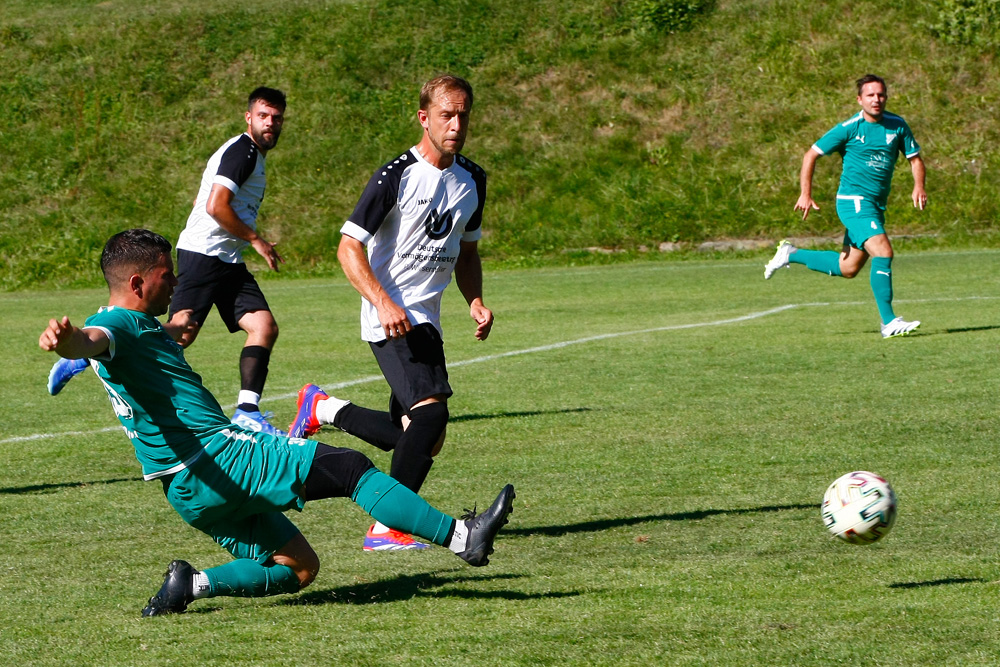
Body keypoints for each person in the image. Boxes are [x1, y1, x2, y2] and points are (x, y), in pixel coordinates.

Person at [38, 228, 515, 617]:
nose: (176, 282)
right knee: (349, 467)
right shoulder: (117, 325)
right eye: (167, 275)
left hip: (186, 490)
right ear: (138, 283)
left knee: (299, 568)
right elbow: (93, 339)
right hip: (217, 456)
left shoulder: (135, 326)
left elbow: (124, 341)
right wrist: (68, 344)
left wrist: (166, 332)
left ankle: (192, 584)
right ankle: (462, 537)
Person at [288, 74, 493, 551]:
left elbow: (466, 252)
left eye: (463, 114)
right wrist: (383, 301)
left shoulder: (473, 179)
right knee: (430, 415)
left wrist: (475, 300)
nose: (456, 124)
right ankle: (390, 525)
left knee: (420, 435)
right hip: (393, 317)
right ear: (424, 118)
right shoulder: (395, 175)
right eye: (447, 114)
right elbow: (347, 248)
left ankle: (322, 407)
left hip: (429, 320)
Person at [45, 88, 290, 431]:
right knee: (179, 333)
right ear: (248, 117)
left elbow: (201, 200)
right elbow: (214, 206)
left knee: (263, 327)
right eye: (263, 116)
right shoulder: (243, 152)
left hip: (226, 256)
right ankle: (87, 351)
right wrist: (257, 240)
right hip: (205, 254)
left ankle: (247, 413)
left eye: (276, 118)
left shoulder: (248, 153)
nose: (270, 124)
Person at [763, 74, 928, 339]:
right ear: (859, 99)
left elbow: (915, 159)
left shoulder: (897, 125)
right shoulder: (849, 127)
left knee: (848, 268)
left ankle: (790, 253)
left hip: (874, 206)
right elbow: (811, 154)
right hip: (853, 202)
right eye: (871, 95)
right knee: (883, 252)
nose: (877, 99)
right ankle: (889, 322)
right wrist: (805, 193)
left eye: (881, 94)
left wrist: (918, 186)